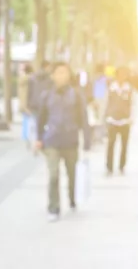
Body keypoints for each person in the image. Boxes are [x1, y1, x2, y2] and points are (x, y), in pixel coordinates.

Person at [35, 61, 91, 221]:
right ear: (52, 76)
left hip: (70, 140)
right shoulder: (46, 96)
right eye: (58, 73)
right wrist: (39, 138)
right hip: (51, 139)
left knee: (71, 174)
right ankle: (53, 207)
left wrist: (87, 140)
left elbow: (83, 118)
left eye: (64, 72)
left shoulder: (76, 95)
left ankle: (72, 199)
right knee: (53, 175)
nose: (61, 76)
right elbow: (41, 119)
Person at [106, 66, 134, 175]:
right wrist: (105, 116)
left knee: (124, 145)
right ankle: (109, 166)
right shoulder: (111, 87)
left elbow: (133, 104)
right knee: (111, 144)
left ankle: (122, 165)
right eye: (120, 74)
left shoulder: (129, 88)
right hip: (112, 120)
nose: (122, 77)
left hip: (125, 121)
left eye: (124, 74)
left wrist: (132, 118)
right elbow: (106, 102)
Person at [18, 64, 35, 148]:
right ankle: (30, 139)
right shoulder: (31, 80)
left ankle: (26, 139)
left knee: (26, 122)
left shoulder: (22, 79)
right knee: (31, 123)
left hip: (23, 104)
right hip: (29, 104)